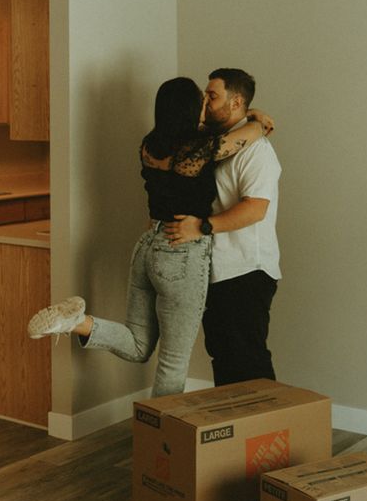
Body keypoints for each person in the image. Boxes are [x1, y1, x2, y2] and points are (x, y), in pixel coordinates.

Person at [27, 77, 273, 397]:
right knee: (173, 362)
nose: (206, 103)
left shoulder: (150, 145)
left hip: (148, 246)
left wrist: (252, 113)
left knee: (139, 343)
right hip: (181, 251)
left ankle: (75, 322)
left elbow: (201, 149)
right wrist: (258, 121)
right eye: (203, 99)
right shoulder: (197, 152)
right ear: (190, 107)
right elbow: (235, 141)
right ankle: (163, 442)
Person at [164, 68, 281, 386]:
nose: (205, 102)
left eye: (212, 96)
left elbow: (255, 209)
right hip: (217, 268)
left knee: (247, 358)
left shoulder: (257, 151)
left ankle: (265, 433)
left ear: (236, 101)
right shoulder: (216, 141)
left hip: (246, 269)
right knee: (223, 355)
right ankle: (236, 431)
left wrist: (201, 227)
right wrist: (256, 118)